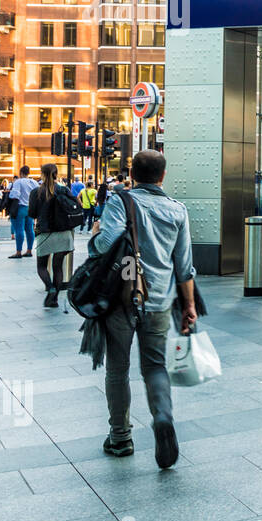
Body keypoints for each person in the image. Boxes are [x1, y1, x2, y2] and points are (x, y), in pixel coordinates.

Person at [91, 150, 197, 468]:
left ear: (132, 173)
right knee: (154, 367)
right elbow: (184, 265)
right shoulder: (177, 209)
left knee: (117, 369)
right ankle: (162, 416)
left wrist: (96, 236)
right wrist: (189, 305)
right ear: (163, 176)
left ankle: (120, 437)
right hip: (160, 301)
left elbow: (107, 243)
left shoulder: (120, 201)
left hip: (121, 299)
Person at [29, 164, 76, 306]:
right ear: (56, 174)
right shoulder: (64, 190)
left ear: (42, 174)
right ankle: (54, 298)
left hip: (46, 232)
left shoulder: (36, 192)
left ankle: (50, 289)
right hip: (64, 232)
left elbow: (32, 213)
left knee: (41, 266)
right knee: (58, 267)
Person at [7, 166, 37, 258]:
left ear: (20, 173)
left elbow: (15, 195)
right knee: (30, 230)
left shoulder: (18, 182)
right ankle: (29, 250)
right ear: (29, 172)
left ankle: (19, 252)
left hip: (20, 207)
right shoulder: (34, 182)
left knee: (19, 230)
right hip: (30, 208)